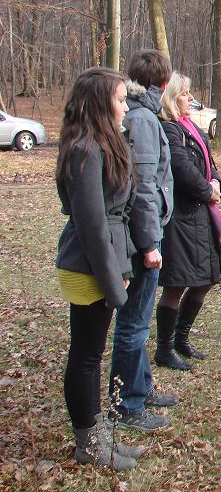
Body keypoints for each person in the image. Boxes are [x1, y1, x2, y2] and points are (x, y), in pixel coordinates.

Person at [56, 67, 145, 470]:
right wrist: (114, 282)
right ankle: (88, 442)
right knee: (88, 355)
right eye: (120, 99)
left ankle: (98, 433)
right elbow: (92, 225)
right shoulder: (85, 149)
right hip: (89, 263)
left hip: (105, 260)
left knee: (91, 352)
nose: (126, 106)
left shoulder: (101, 144)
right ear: (99, 103)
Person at [109, 50, 176, 432]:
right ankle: (126, 405)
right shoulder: (144, 120)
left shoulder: (139, 113)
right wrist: (150, 243)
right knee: (133, 324)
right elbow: (145, 188)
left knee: (138, 321)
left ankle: (142, 387)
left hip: (142, 235)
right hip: (141, 240)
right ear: (163, 84)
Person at [155, 72, 221, 370]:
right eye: (185, 93)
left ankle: (182, 338)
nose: (190, 99)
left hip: (202, 217)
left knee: (207, 279)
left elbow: (211, 165)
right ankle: (165, 348)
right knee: (177, 284)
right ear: (171, 97)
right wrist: (206, 190)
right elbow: (181, 169)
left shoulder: (190, 128)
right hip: (182, 220)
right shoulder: (169, 129)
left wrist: (218, 184)